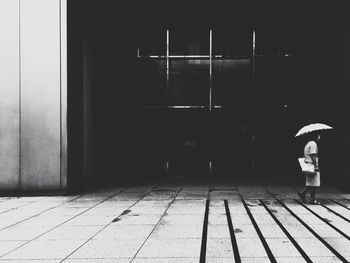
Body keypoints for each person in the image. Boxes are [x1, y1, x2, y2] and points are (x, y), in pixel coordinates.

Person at [298, 133, 321, 204]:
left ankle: (303, 193)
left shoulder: (307, 144)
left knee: (311, 182)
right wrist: (316, 166)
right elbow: (313, 156)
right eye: (318, 135)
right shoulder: (313, 144)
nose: (319, 136)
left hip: (308, 164)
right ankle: (312, 199)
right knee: (314, 184)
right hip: (312, 165)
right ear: (316, 136)